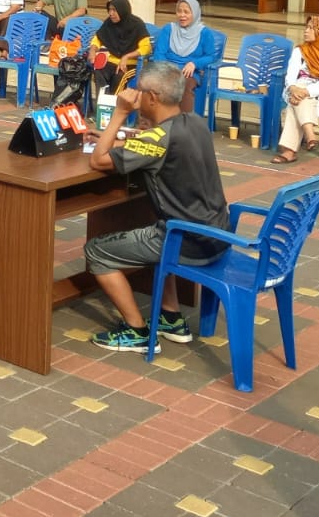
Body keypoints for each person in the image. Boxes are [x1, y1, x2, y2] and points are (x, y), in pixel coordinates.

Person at [85, 61, 230, 352]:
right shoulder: (196, 122)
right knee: (149, 225)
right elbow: (157, 142)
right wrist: (118, 138)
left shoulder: (157, 138)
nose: (135, 96)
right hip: (217, 234)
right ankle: (171, 317)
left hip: (186, 242)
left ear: (152, 97)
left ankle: (136, 330)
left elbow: (98, 160)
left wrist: (119, 114)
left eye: (138, 91)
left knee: (96, 251)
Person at [271, 16, 319, 164]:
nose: (306, 31)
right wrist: (293, 87)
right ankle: (310, 133)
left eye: (311, 28)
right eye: (307, 27)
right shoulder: (300, 51)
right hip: (295, 89)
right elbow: (291, 75)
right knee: (299, 97)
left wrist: (305, 92)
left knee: (297, 102)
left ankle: (290, 151)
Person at [157, 0, 218, 114]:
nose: (182, 15)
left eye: (186, 12)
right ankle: (157, 121)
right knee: (153, 84)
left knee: (184, 85)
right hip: (167, 70)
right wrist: (165, 69)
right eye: (179, 11)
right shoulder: (168, 29)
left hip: (188, 73)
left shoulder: (205, 33)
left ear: (195, 13)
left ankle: (185, 122)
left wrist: (195, 63)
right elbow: (159, 53)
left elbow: (211, 56)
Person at [93, 0, 151, 93]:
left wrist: (126, 57)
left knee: (119, 77)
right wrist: (93, 49)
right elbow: (97, 39)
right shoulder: (109, 23)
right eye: (109, 10)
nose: (111, 13)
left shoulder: (137, 24)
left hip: (130, 64)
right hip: (111, 61)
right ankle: (103, 101)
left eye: (114, 10)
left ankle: (115, 102)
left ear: (122, 10)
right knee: (99, 72)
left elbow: (146, 48)